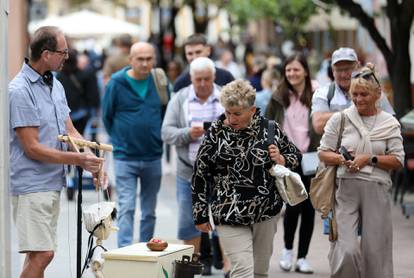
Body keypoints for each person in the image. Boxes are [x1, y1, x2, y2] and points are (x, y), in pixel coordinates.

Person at [9, 26, 104, 278]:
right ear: (47, 53)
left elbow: (71, 132)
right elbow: (32, 148)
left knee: (37, 254)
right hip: (30, 184)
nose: (67, 57)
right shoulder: (19, 90)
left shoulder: (56, 85)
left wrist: (91, 159)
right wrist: (78, 160)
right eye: (63, 52)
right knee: (43, 254)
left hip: (52, 181)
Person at [192, 79, 301, 278]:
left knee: (260, 272)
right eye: (228, 112)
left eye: (237, 113)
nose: (231, 118)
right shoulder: (216, 132)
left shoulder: (270, 128)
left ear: (252, 110)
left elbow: (296, 157)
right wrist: (199, 214)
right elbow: (200, 173)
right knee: (242, 270)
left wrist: (282, 159)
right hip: (227, 211)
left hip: (266, 212)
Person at [318, 63, 404, 278]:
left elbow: (398, 160)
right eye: (354, 94)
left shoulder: (390, 123)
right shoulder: (341, 118)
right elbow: (322, 152)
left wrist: (370, 158)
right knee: (346, 251)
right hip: (346, 188)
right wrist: (341, 159)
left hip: (377, 189)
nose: (358, 99)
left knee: (375, 254)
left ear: (378, 94)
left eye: (364, 94)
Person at [174, 33, 234, 275]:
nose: (193, 57)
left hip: (222, 168)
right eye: (189, 54)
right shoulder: (180, 85)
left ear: (208, 51)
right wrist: (188, 133)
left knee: (223, 215)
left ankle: (224, 261)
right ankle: (204, 261)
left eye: (197, 53)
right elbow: (171, 122)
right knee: (193, 219)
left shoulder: (226, 79)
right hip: (190, 166)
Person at [102, 42, 169, 247]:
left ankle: (145, 250)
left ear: (154, 60)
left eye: (149, 59)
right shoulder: (116, 82)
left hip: (152, 156)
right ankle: (124, 251)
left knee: (149, 210)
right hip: (125, 157)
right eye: (140, 59)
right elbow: (107, 116)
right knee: (127, 206)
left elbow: (166, 113)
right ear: (130, 60)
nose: (145, 63)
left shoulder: (159, 81)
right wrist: (120, 140)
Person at [162, 57, 223, 254]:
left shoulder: (225, 96)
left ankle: (229, 270)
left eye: (207, 79)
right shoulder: (180, 98)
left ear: (214, 77)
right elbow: (166, 132)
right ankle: (191, 265)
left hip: (222, 173)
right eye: (199, 80)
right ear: (191, 78)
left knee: (225, 221)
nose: (203, 84)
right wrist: (187, 133)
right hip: (188, 172)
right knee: (189, 222)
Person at [266, 53, 318, 274]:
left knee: (309, 209)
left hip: (313, 158)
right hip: (288, 159)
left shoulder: (318, 93)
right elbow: (267, 123)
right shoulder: (279, 95)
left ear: (305, 71)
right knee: (293, 206)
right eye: (288, 70)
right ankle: (287, 251)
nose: (292, 73)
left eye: (296, 69)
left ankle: (303, 257)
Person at [311, 47, 395, 135]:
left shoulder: (373, 89)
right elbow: (319, 125)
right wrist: (357, 113)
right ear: (332, 71)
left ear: (358, 66)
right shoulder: (323, 93)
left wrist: (335, 118)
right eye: (339, 70)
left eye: (348, 69)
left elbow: (390, 123)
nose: (343, 74)